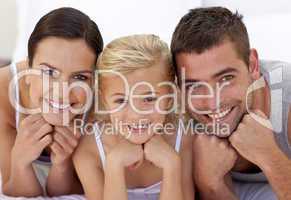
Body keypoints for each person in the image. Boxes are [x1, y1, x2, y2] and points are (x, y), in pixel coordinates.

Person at [171, 7, 291, 200]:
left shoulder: (286, 100)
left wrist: (269, 157)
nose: (212, 102)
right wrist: (210, 185)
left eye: (225, 79)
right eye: (194, 86)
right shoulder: (177, 125)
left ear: (252, 65)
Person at [73, 34, 194, 200]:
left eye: (149, 99)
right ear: (104, 99)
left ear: (171, 95)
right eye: (121, 100)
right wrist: (114, 165)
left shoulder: (184, 138)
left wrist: (171, 165)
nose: (136, 114)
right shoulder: (89, 150)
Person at [0, 7, 103, 197]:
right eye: (48, 72)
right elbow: (12, 189)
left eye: (80, 77)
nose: (63, 93)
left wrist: (62, 165)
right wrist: (20, 161)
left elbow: (76, 191)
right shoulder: (3, 93)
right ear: (28, 67)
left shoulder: (102, 103)